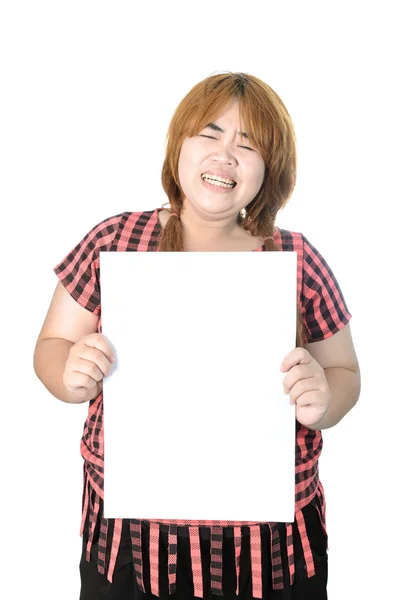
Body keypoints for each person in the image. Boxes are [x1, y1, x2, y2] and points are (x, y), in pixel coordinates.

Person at [33, 71, 361, 600]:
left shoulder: (297, 258)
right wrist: (69, 374)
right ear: (178, 145)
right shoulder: (115, 240)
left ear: (270, 170)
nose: (226, 154)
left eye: (248, 144)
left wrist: (323, 400)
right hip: (132, 540)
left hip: (269, 549)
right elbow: (51, 345)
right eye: (209, 134)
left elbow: (345, 370)